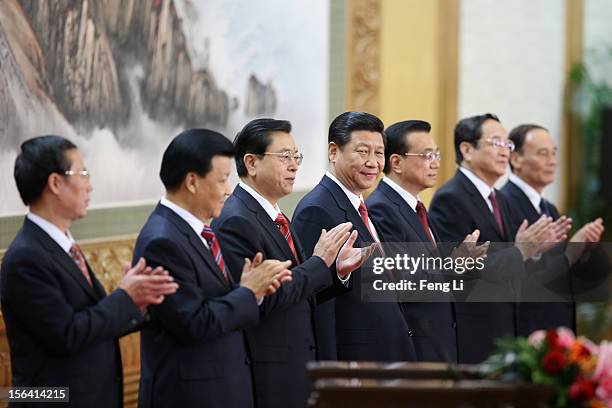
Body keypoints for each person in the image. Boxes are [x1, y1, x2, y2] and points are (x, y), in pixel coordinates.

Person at [0, 135, 178, 407]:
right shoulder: (26, 257)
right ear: (55, 183)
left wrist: (139, 302)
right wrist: (124, 296)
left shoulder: (62, 244)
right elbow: (68, 334)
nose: (89, 185)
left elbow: (92, 319)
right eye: (83, 173)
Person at [213, 118, 372, 408]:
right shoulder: (237, 219)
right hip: (268, 371)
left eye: (296, 157)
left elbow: (301, 293)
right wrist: (319, 262)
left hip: (296, 364)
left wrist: (336, 272)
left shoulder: (274, 215)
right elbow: (263, 299)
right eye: (284, 157)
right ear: (251, 162)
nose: (294, 165)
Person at [132, 129, 294, 408]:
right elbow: (195, 322)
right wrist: (247, 291)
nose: (228, 189)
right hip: (190, 395)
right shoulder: (163, 241)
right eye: (222, 179)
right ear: (192, 182)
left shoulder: (194, 230)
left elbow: (210, 301)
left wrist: (244, 289)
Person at [428, 114, 569, 363]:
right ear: (467, 150)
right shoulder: (450, 198)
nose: (505, 152)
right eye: (496, 143)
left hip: (507, 329)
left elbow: (513, 259)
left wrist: (534, 250)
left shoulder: (499, 199)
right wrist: (521, 251)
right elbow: (460, 273)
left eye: (508, 145)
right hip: (473, 331)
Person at [292, 111, 417, 361]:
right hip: (354, 362)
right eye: (362, 151)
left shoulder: (359, 205)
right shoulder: (317, 208)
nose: (372, 162)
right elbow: (317, 299)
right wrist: (331, 372)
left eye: (378, 153)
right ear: (333, 152)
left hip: (386, 353)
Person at [367, 119, 482, 363]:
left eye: (437, 155)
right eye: (427, 155)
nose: (436, 163)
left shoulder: (416, 206)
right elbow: (403, 280)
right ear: (396, 162)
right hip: (414, 344)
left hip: (439, 341)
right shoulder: (381, 208)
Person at [501, 124, 604, 335]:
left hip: (558, 326)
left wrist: (582, 251)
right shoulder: (504, 204)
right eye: (543, 153)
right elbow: (518, 279)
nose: (553, 161)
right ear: (515, 159)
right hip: (528, 330)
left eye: (554, 153)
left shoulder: (549, 208)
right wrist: (569, 253)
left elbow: (562, 273)